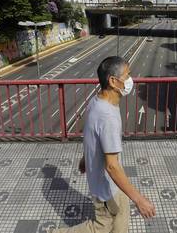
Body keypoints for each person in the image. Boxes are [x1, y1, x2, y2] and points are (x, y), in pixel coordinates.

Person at [51, 56, 156, 233]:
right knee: (101, 226)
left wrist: (86, 158)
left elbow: (90, 133)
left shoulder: (95, 101)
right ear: (114, 81)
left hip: (107, 184)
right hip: (108, 188)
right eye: (127, 75)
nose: (130, 80)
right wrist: (139, 199)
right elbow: (112, 166)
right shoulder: (108, 117)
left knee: (118, 222)